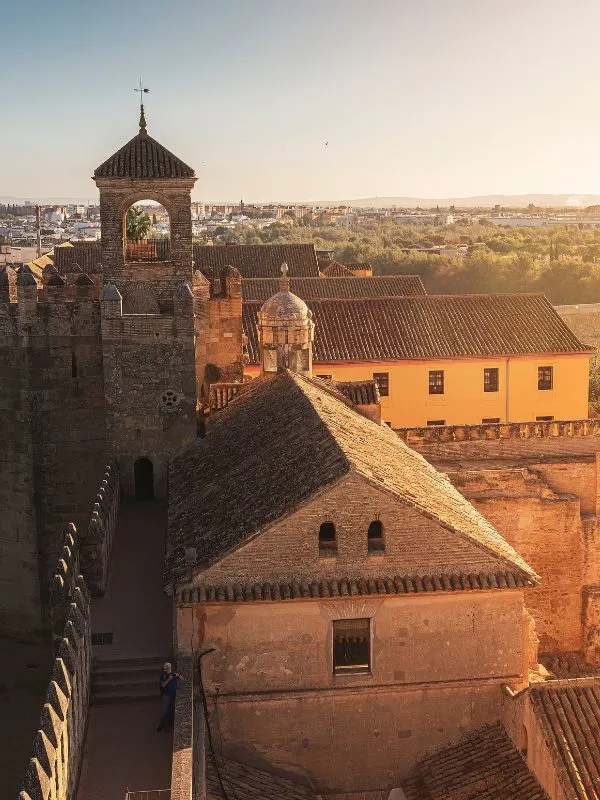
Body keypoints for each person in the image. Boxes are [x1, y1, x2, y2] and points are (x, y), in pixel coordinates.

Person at [157, 661, 182, 732]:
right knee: (166, 711)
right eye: (168, 668)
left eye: (170, 667)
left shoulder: (173, 674)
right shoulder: (163, 676)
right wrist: (169, 679)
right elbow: (163, 685)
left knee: (172, 710)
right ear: (165, 668)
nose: (169, 669)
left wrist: (178, 675)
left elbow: (182, 678)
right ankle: (163, 725)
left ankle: (169, 723)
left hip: (173, 694)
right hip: (166, 695)